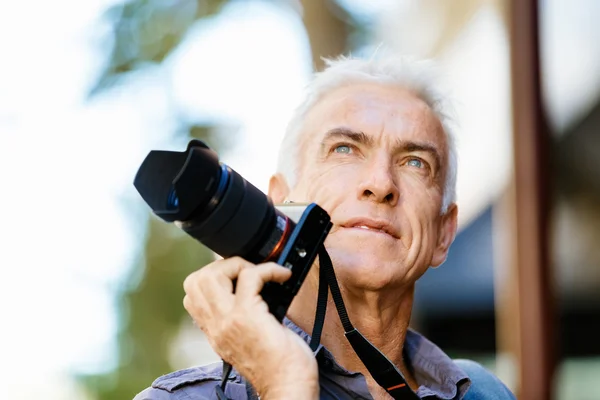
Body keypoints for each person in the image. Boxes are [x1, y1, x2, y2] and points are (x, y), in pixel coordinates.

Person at [134, 56, 515, 400]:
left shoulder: (485, 393)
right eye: (344, 149)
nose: (381, 184)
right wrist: (284, 384)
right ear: (282, 201)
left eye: (415, 163)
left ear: (444, 233)